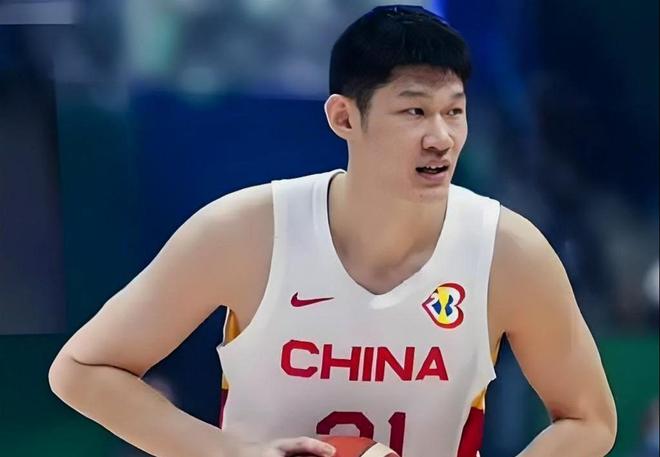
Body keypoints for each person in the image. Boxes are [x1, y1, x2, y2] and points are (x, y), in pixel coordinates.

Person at [48, 5, 616, 457]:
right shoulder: (245, 231)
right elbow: (81, 370)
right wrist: (231, 453)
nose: (441, 138)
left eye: (454, 111)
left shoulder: (507, 251)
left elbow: (590, 418)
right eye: (414, 112)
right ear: (344, 117)